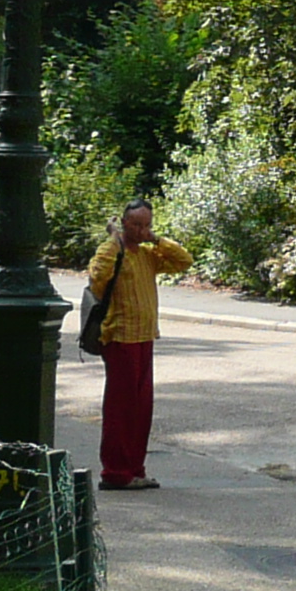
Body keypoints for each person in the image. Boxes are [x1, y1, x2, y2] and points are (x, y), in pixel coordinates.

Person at [83, 202, 191, 491]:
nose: (141, 230)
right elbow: (96, 279)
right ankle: (115, 472)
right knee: (121, 409)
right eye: (135, 225)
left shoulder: (147, 255)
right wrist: (114, 241)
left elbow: (183, 261)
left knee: (141, 409)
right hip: (120, 339)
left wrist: (156, 239)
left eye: (146, 225)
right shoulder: (112, 250)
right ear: (124, 223)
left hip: (144, 337)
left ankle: (135, 469)